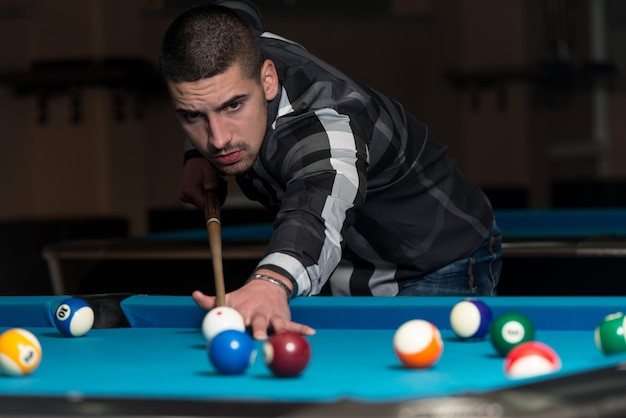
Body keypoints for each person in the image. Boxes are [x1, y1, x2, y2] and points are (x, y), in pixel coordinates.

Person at [159, 0, 502, 340]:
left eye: (233, 105)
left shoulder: (327, 128)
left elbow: (315, 209)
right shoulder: (232, 42)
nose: (218, 140)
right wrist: (196, 155)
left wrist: (271, 282)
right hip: (348, 266)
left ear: (267, 79)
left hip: (434, 260)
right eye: (193, 116)